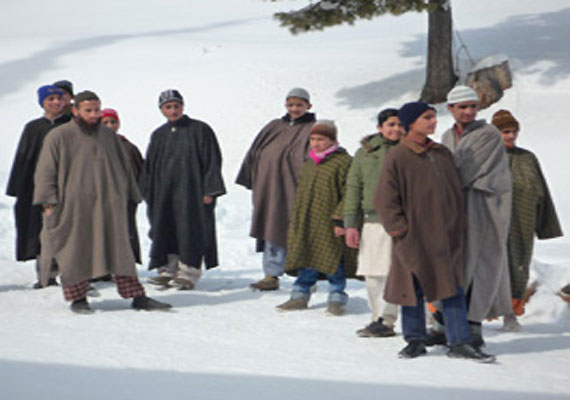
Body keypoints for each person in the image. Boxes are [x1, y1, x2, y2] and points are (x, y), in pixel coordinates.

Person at [375, 102, 495, 362]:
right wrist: (400, 230)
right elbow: (385, 200)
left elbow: (453, 192)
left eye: (433, 117)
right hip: (412, 236)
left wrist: (458, 223)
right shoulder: (398, 156)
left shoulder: (441, 153)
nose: (433, 121)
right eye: (426, 118)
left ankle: (459, 341)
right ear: (410, 124)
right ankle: (414, 339)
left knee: (451, 287)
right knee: (412, 287)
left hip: (445, 235)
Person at [33, 90, 170, 313]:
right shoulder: (59, 136)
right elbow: (45, 172)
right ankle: (78, 300)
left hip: (108, 206)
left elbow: (123, 169)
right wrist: (48, 203)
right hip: (73, 208)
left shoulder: (108, 136)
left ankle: (138, 297)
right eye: (88, 110)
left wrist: (130, 195)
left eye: (97, 109)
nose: (94, 115)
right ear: (75, 110)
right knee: (74, 252)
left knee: (120, 252)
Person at [439, 85, 512, 349]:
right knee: (456, 263)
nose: (469, 111)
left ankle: (473, 324)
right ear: (451, 109)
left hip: (483, 205)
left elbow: (463, 170)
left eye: (472, 106)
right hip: (456, 205)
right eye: (463, 107)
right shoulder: (448, 135)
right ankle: (446, 321)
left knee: (480, 263)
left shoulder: (487, 133)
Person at [145, 89, 226, 290]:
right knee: (165, 229)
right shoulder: (159, 135)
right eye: (168, 107)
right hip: (164, 194)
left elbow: (212, 161)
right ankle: (168, 270)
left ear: (183, 106)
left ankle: (188, 272)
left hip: (192, 193)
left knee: (190, 230)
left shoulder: (199, 130)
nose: (173, 111)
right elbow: (150, 167)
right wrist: (149, 192)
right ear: (161, 110)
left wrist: (210, 190)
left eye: (176, 106)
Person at [236, 88, 316, 291]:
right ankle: (271, 274)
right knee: (272, 227)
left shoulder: (314, 128)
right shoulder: (274, 126)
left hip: (298, 190)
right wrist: (253, 176)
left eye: (299, 105)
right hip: (271, 189)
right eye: (291, 105)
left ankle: (307, 276)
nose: (295, 109)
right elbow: (255, 151)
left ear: (309, 106)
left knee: (300, 230)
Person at [276, 120, 357, 316]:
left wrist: (340, 218)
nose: (315, 143)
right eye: (312, 139)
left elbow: (349, 192)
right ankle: (299, 295)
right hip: (308, 220)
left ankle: (337, 297)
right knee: (307, 257)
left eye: (321, 139)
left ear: (333, 140)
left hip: (330, 221)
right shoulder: (310, 163)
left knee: (332, 260)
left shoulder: (344, 162)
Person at [491, 109, 563, 330]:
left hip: (523, 222)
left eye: (513, 131)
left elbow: (542, 192)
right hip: (493, 223)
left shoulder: (527, 158)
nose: (511, 136)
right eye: (505, 132)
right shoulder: (487, 158)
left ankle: (511, 315)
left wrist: (547, 227)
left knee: (518, 266)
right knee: (494, 267)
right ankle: (484, 314)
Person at [344, 108, 402, 337]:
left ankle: (426, 320)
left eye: (399, 124)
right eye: (390, 124)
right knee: (374, 273)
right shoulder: (365, 153)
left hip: (403, 220)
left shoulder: (410, 150)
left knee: (400, 272)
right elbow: (353, 188)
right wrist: (350, 223)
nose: (396, 129)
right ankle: (380, 319)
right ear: (380, 128)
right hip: (373, 220)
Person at [6, 84, 71, 289]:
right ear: (42, 102)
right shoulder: (33, 128)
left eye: (58, 98)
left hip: (68, 185)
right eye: (50, 99)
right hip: (38, 187)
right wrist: (19, 188)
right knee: (40, 231)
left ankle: (74, 275)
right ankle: (47, 274)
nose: (55, 102)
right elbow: (24, 158)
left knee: (69, 229)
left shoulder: (71, 124)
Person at [101, 107, 144, 264]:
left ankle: (126, 265)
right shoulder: (92, 145)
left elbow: (140, 171)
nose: (110, 126)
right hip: (100, 198)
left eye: (113, 122)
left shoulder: (128, 147)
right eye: (105, 122)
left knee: (125, 232)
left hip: (125, 198)